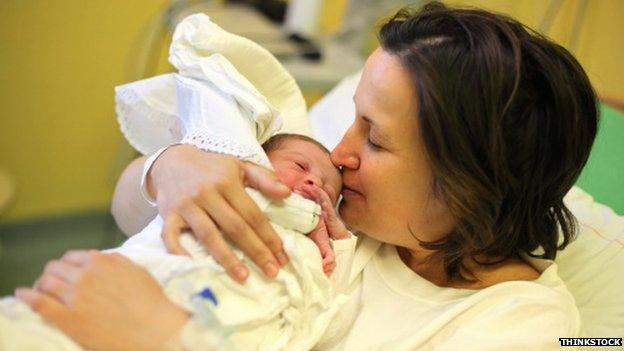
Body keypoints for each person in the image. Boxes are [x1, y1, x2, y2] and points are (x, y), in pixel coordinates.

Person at [16, 2, 598, 350]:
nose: (339, 153)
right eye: (353, 120)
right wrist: (169, 170)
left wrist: (163, 335)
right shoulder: (335, 200)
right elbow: (127, 210)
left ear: (471, 182)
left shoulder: (525, 326)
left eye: (374, 138)